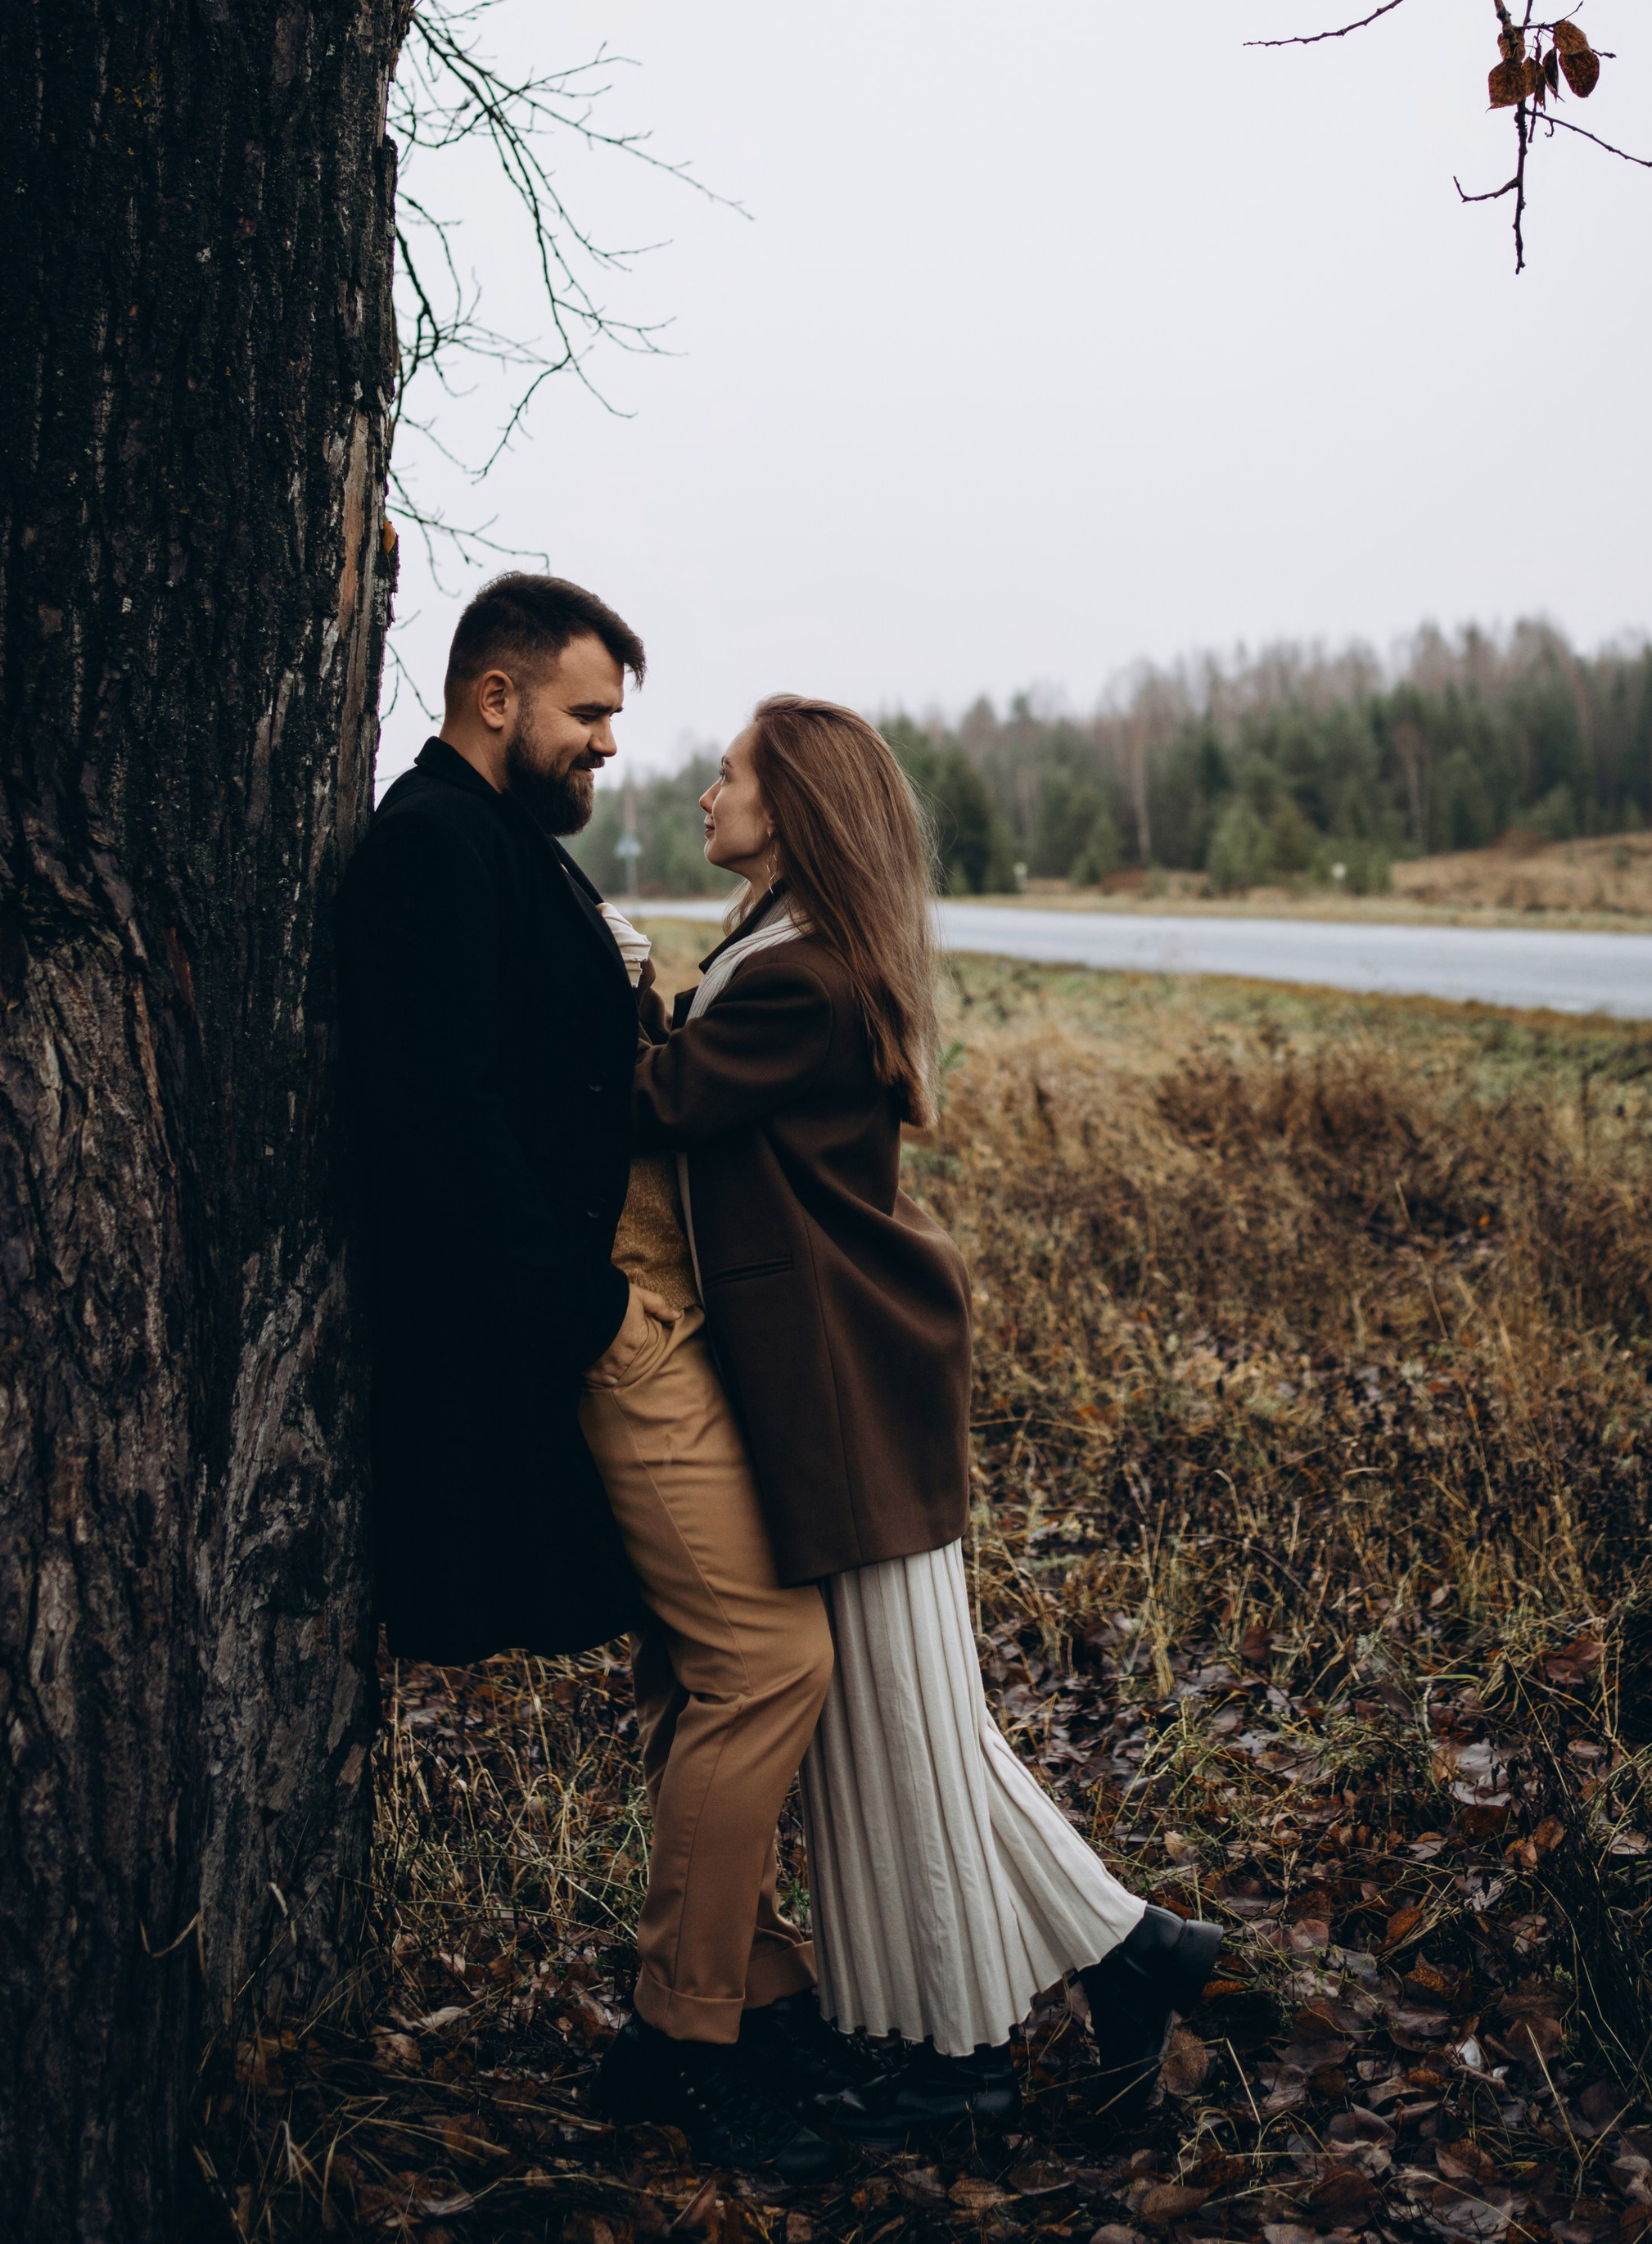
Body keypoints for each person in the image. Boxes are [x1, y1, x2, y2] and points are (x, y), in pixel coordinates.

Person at [630, 697, 1222, 2147]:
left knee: (903, 1731)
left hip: (844, 1397)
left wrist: (622, 976)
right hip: (829, 1386)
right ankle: (1138, 1958)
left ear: (795, 812)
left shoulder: (802, 983)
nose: (707, 791)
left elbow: (663, 1099)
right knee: (904, 1728)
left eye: (732, 775)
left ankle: (962, 2065)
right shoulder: (787, 953)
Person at [337, 576, 835, 2182]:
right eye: (586, 716)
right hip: (602, 1325)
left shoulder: (500, 850)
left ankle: (752, 1991)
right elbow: (440, 1119)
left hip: (631, 1311)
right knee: (764, 1664)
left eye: (614, 719)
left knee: (720, 1669)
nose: (610, 749)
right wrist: (584, 1318)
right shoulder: (431, 847)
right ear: (494, 698)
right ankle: (684, 2032)